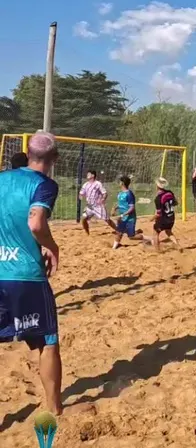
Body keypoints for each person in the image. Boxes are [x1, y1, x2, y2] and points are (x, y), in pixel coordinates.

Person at [0, 131, 65, 415]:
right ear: (54, 158)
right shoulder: (44, 184)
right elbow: (36, 223)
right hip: (25, 274)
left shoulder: (2, 179)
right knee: (48, 341)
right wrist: (52, 246)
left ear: (27, 153)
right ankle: (55, 408)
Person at [78, 170, 113, 236]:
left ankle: (118, 230)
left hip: (98, 206)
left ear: (93, 175)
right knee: (84, 219)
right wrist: (81, 197)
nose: (87, 175)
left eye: (89, 174)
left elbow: (105, 193)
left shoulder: (98, 184)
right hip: (89, 206)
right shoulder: (85, 185)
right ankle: (87, 234)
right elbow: (81, 194)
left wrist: (103, 199)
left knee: (107, 220)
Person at [150, 177, 180, 252]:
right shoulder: (170, 193)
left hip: (164, 219)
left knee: (155, 232)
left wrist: (152, 218)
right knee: (168, 231)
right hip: (171, 217)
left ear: (157, 186)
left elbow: (159, 214)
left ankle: (158, 250)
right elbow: (175, 203)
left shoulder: (158, 198)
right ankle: (177, 245)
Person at [111, 175, 141, 249]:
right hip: (123, 217)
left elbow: (132, 208)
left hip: (130, 218)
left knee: (131, 236)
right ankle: (113, 248)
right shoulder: (120, 193)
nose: (119, 183)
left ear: (122, 183)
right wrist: (114, 208)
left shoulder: (129, 194)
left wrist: (122, 215)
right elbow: (121, 204)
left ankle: (148, 239)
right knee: (119, 232)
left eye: (120, 181)